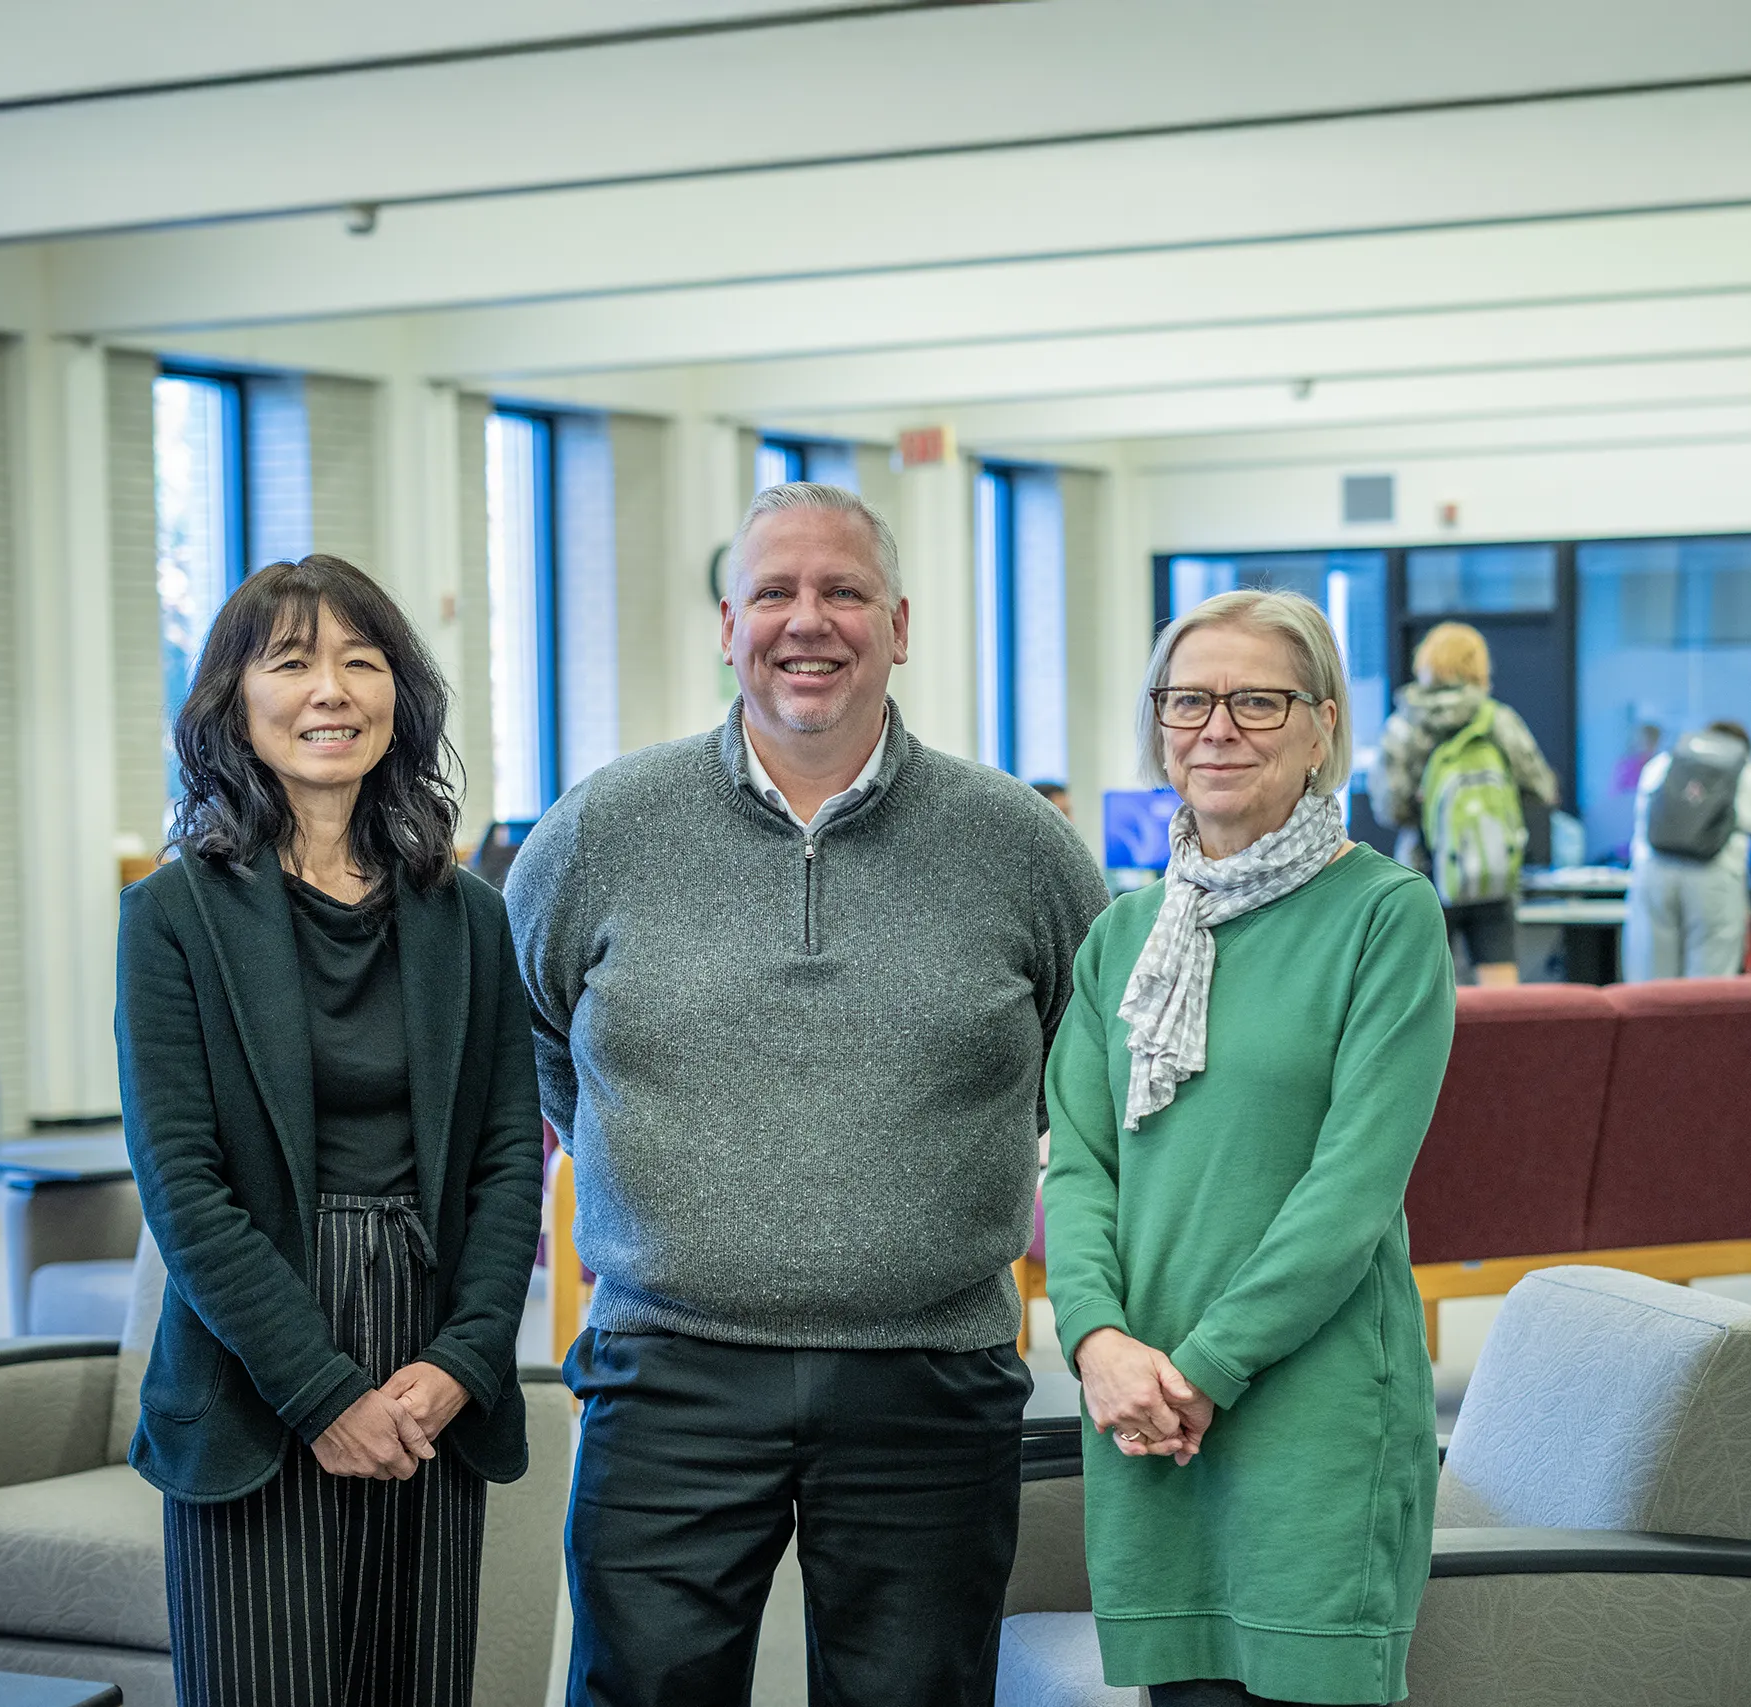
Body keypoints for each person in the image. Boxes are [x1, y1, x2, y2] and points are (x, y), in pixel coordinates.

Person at [507, 482, 1109, 1707]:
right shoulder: (602, 830)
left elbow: (1077, 1069)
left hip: (930, 1374)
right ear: (727, 623)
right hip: (666, 1368)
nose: (807, 620)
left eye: (842, 591)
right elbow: (533, 1036)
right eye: (774, 592)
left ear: (900, 623)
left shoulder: (1019, 844)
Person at [115, 555, 544, 1707]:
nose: (331, 691)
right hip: (258, 1356)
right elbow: (182, 1187)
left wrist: (462, 1363)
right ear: (231, 701)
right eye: (292, 662)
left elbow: (512, 1161)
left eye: (362, 661)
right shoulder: (171, 917)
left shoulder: (470, 919)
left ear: (398, 695)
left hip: (427, 1354)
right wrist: (320, 1393)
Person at [1043, 589, 1456, 1707]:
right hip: (1140, 1412)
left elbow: (1351, 1190)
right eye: (1188, 700)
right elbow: (1078, 1167)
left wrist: (1205, 1368)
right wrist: (1098, 1347)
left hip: (1309, 1412)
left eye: (1257, 702)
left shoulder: (1385, 914)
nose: (1215, 728)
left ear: (1324, 726)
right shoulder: (1123, 936)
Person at [1371, 621, 1556, 985]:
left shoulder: (1404, 726)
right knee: (1502, 999)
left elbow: (1388, 806)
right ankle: (1501, 1046)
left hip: (1425, 868)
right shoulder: (1497, 720)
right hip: (1492, 867)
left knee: (1427, 988)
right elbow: (1541, 786)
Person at [1623, 718, 1751, 981]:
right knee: (1707, 989)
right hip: (1714, 878)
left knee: (1648, 984)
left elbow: (1642, 820)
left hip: (1653, 874)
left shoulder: (1663, 763)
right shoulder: (1749, 772)